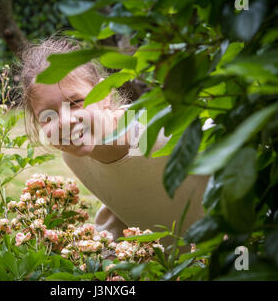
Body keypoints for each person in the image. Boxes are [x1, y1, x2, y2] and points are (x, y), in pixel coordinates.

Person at [17, 37, 209, 246]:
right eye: (46, 116)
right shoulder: (76, 159)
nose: (64, 121)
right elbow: (127, 197)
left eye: (75, 103)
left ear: (105, 95)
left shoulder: (161, 132)